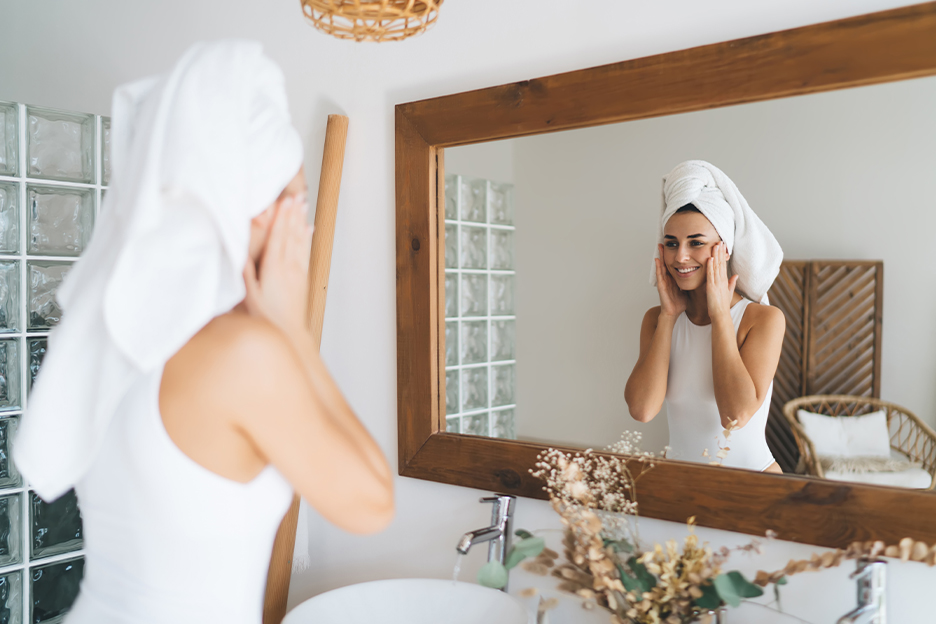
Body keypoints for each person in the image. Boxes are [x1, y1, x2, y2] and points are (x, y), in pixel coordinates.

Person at [13, 42, 393, 624]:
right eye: (300, 201)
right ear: (260, 212)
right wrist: (290, 332)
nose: (309, 225)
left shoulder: (110, 331)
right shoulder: (246, 354)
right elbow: (374, 502)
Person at [624, 160, 785, 473]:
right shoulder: (656, 320)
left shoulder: (763, 319)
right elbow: (642, 410)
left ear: (723, 249)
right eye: (671, 243)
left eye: (696, 242)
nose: (680, 256)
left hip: (755, 487)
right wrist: (669, 316)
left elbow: (735, 416)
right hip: (680, 488)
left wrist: (720, 315)